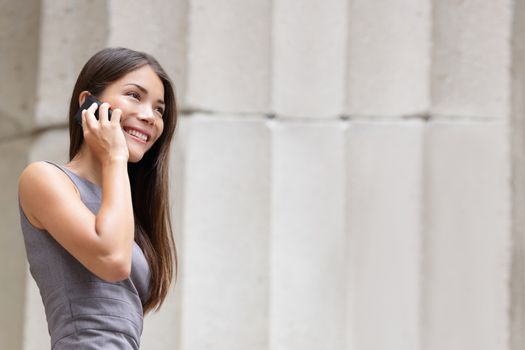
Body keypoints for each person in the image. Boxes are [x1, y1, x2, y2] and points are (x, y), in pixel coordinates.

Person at [18, 47, 178, 349]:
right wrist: (114, 157)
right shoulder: (44, 178)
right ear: (88, 103)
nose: (149, 116)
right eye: (134, 95)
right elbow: (112, 260)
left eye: (159, 109)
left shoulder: (120, 206)